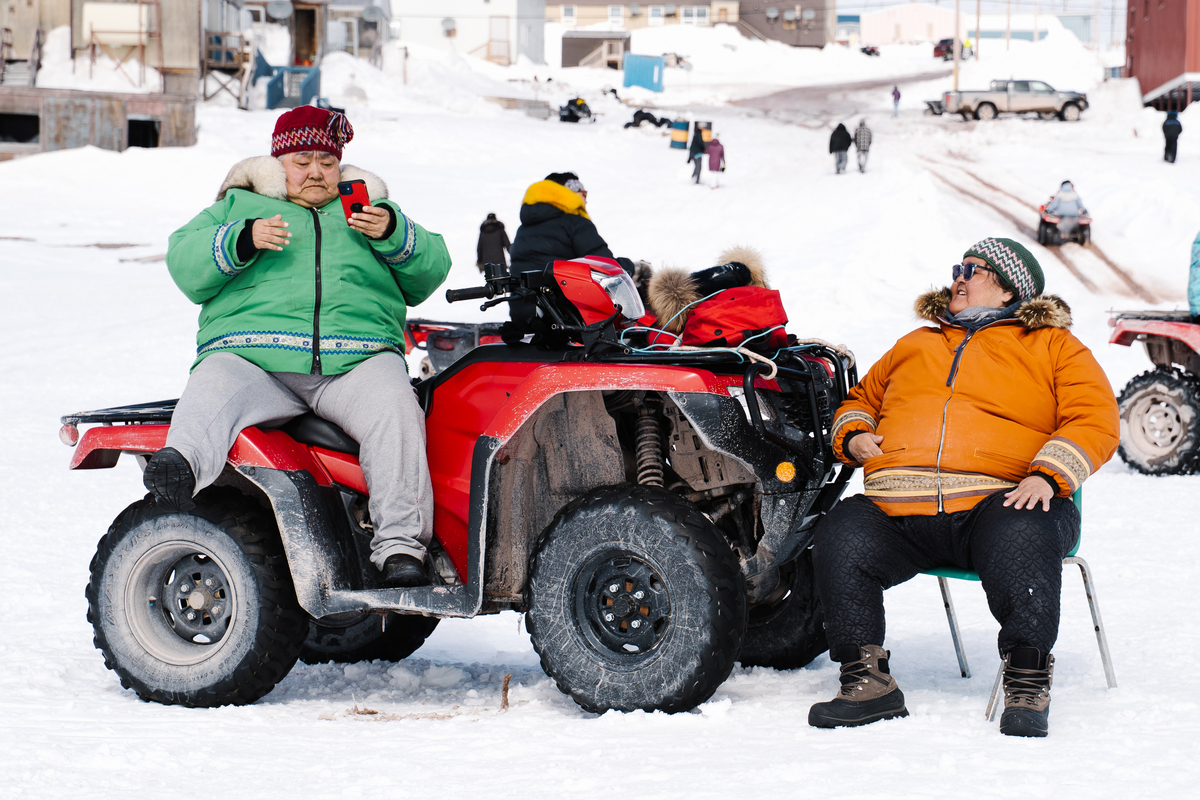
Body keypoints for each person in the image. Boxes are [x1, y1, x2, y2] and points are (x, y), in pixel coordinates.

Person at [808, 237, 1119, 738]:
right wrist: (856, 432)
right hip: (900, 512)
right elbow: (861, 399)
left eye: (973, 270)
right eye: (958, 268)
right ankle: (866, 681)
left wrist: (1048, 474)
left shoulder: (1054, 346)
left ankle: (1026, 680)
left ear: (1008, 289)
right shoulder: (916, 343)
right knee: (842, 530)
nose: (958, 277)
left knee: (1024, 528)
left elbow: (1095, 418)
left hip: (1000, 503)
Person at [146, 106, 452, 589]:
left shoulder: (369, 210)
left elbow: (432, 271)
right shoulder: (240, 205)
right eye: (302, 161)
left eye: (327, 162)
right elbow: (184, 262)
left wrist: (393, 234)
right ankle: (179, 465)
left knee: (396, 408)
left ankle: (400, 548)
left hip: (357, 361)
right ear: (278, 163)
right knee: (213, 382)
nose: (315, 172)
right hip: (255, 360)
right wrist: (242, 238)